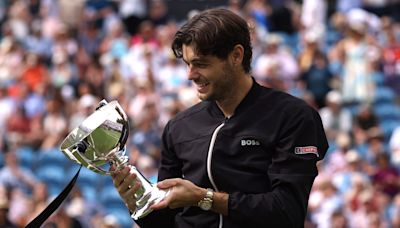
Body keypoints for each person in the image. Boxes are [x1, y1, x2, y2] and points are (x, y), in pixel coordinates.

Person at [111, 8, 328, 227]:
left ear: (236, 55)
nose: (190, 75)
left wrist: (204, 198)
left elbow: (287, 211)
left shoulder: (293, 116)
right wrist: (137, 200)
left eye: (201, 64)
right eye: (188, 64)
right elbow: (165, 223)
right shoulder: (178, 127)